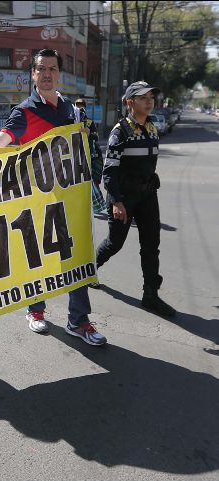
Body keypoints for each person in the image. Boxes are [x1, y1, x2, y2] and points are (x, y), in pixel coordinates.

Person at [0, 48, 105, 346]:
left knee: (76, 259)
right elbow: (0, 142)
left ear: (59, 73)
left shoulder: (71, 110)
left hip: (70, 198)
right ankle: (35, 310)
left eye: (52, 68)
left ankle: (79, 320)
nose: (47, 73)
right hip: (37, 199)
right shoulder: (24, 112)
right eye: (41, 68)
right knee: (36, 257)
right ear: (33, 74)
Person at [95, 81, 176, 318]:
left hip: (148, 195)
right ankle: (89, 270)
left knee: (151, 245)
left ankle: (151, 295)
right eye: (143, 97)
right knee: (115, 243)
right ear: (130, 103)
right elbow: (109, 171)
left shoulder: (151, 128)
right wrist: (117, 201)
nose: (149, 101)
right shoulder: (121, 131)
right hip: (125, 198)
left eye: (151, 96)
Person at [75, 98, 106, 216]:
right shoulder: (71, 121)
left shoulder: (89, 122)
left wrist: (88, 134)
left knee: (93, 180)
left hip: (91, 155)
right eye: (77, 105)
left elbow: (95, 137)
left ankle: (94, 204)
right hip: (76, 156)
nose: (79, 107)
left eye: (81, 105)